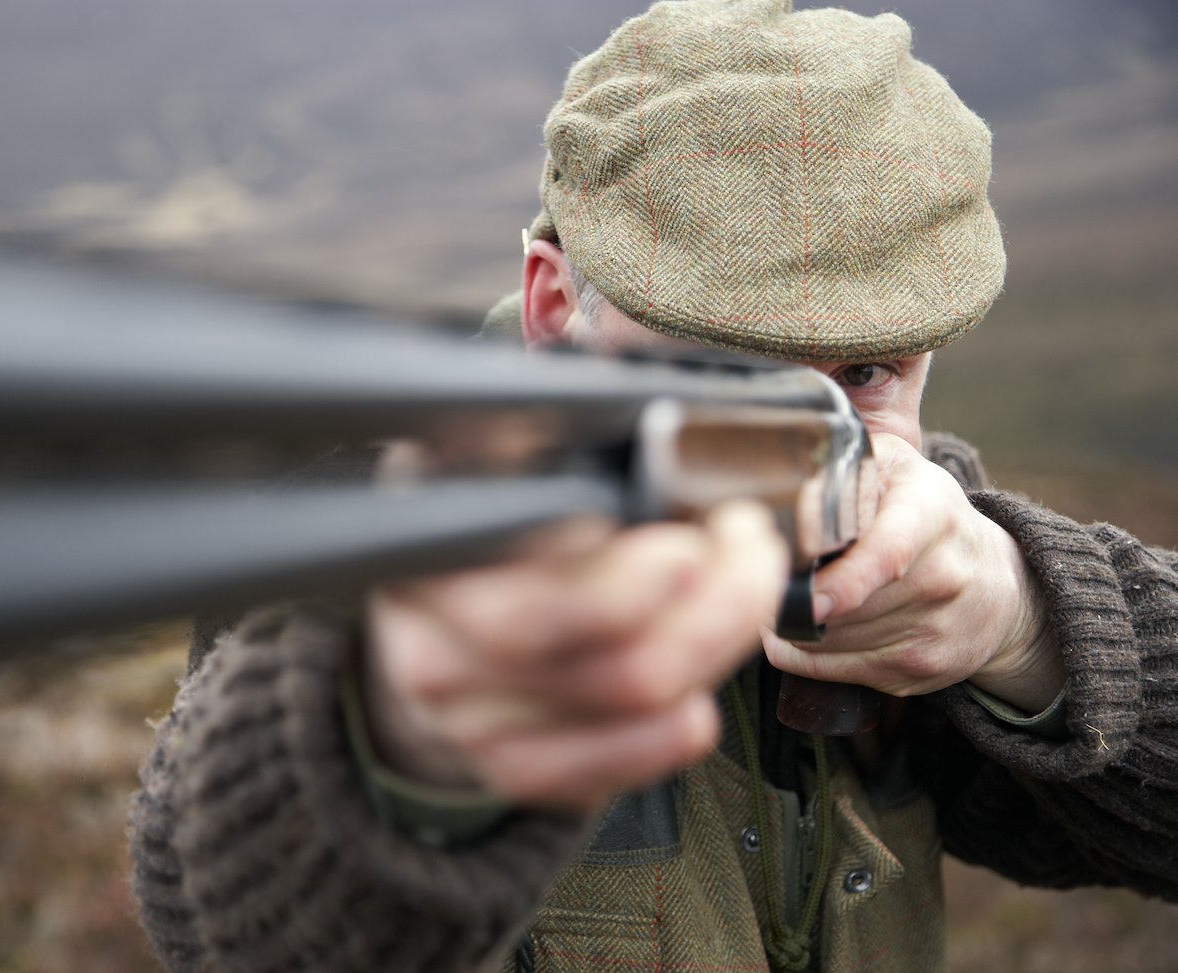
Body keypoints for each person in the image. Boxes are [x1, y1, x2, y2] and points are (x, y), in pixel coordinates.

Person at [128, 2, 1178, 971]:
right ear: (552, 310)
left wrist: (1026, 625)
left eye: (865, 372)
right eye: (725, 369)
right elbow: (231, 927)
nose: (802, 436)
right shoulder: (368, 525)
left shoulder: (911, 531)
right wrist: (396, 750)